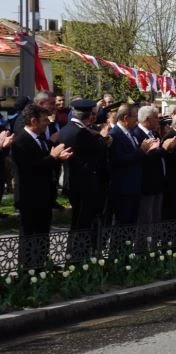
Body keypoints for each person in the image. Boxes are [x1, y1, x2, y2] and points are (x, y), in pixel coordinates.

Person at [12, 104, 72, 269]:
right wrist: (53, 158)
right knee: (29, 234)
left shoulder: (42, 139)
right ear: (33, 121)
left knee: (43, 232)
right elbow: (29, 169)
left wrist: (58, 158)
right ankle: (27, 268)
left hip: (44, 195)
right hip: (29, 196)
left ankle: (42, 263)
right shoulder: (21, 140)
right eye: (44, 120)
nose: (47, 123)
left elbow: (46, 161)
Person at [58, 99, 112, 259]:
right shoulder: (80, 132)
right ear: (88, 116)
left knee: (77, 222)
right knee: (82, 223)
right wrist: (103, 137)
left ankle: (73, 254)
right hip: (84, 184)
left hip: (75, 182)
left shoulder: (67, 128)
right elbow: (98, 150)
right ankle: (78, 257)